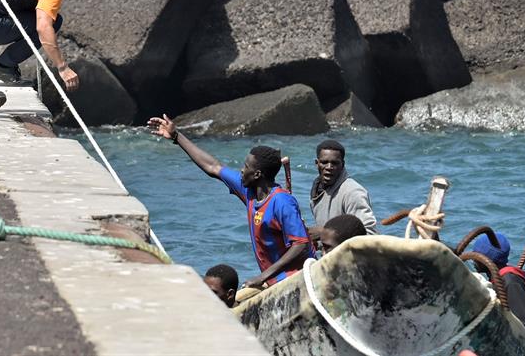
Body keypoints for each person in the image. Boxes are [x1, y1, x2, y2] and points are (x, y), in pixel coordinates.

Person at [148, 115, 314, 288]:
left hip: (299, 279)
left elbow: (300, 245)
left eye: (246, 167)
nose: (242, 170)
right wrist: (176, 136)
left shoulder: (282, 201)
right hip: (274, 282)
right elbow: (213, 167)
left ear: (257, 175)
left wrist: (262, 277)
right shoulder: (248, 191)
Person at [308, 140, 377, 240]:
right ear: (316, 163)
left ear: (343, 164)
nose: (329, 167)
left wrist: (325, 233)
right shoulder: (317, 190)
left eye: (335, 163)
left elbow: (370, 235)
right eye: (324, 162)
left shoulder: (353, 192)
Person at [470, 231, 525, 335]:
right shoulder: (497, 279)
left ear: (486, 259)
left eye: (476, 255)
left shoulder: (510, 282)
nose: (473, 259)